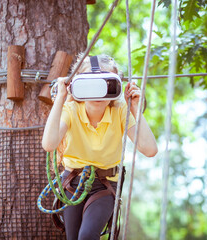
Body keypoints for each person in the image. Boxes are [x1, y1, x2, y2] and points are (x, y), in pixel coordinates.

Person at [42, 54, 157, 240]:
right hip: (72, 182)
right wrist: (61, 98)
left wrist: (134, 108)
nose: (98, 92)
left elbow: (150, 149)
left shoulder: (120, 111)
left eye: (107, 84)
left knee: (87, 235)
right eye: (90, 84)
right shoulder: (70, 110)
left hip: (105, 184)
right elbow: (49, 144)